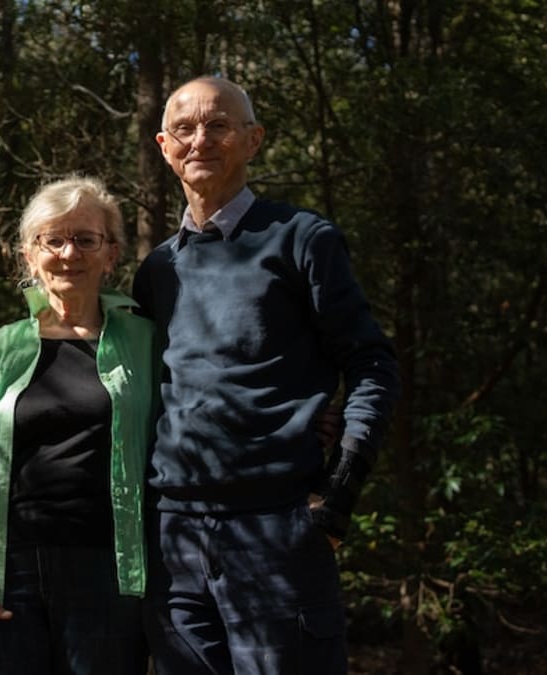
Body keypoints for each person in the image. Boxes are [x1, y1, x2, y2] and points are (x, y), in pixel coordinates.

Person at [133, 76, 400, 674]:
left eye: (219, 125)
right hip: (172, 538)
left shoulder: (303, 239)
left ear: (253, 141)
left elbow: (372, 364)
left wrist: (337, 497)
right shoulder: (157, 269)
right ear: (163, 145)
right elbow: (127, 377)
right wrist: (1, 378)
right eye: (184, 128)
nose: (200, 139)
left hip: (277, 532)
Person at [0, 175, 154, 675]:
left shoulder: (147, 342)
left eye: (85, 239)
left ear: (111, 253)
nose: (68, 253)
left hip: (112, 576)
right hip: (5, 575)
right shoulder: (0, 348)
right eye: (51, 240)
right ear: (30, 257)